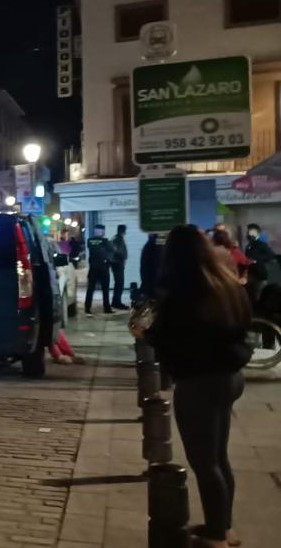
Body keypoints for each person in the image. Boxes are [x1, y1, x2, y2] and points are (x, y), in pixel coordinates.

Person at [135, 225, 251, 548]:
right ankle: (223, 526)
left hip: (199, 380)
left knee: (205, 462)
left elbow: (173, 336)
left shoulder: (184, 291)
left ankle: (216, 535)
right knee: (219, 456)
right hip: (229, 376)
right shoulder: (226, 283)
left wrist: (145, 334)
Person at [84, 225, 113, 316]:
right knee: (104, 289)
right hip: (102, 268)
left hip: (94, 267)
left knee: (91, 289)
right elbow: (110, 250)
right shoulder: (104, 241)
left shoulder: (90, 240)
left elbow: (106, 250)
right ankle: (106, 308)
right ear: (102, 232)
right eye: (100, 231)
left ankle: (88, 308)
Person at [110, 224, 129, 310]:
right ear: (123, 231)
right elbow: (118, 251)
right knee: (119, 284)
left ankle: (116, 301)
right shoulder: (118, 239)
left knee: (118, 283)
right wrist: (122, 258)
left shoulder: (115, 238)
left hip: (117, 263)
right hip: (117, 264)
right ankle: (117, 302)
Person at [139, 233, 161, 303]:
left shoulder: (149, 246)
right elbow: (155, 264)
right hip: (152, 280)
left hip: (149, 280)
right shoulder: (153, 246)